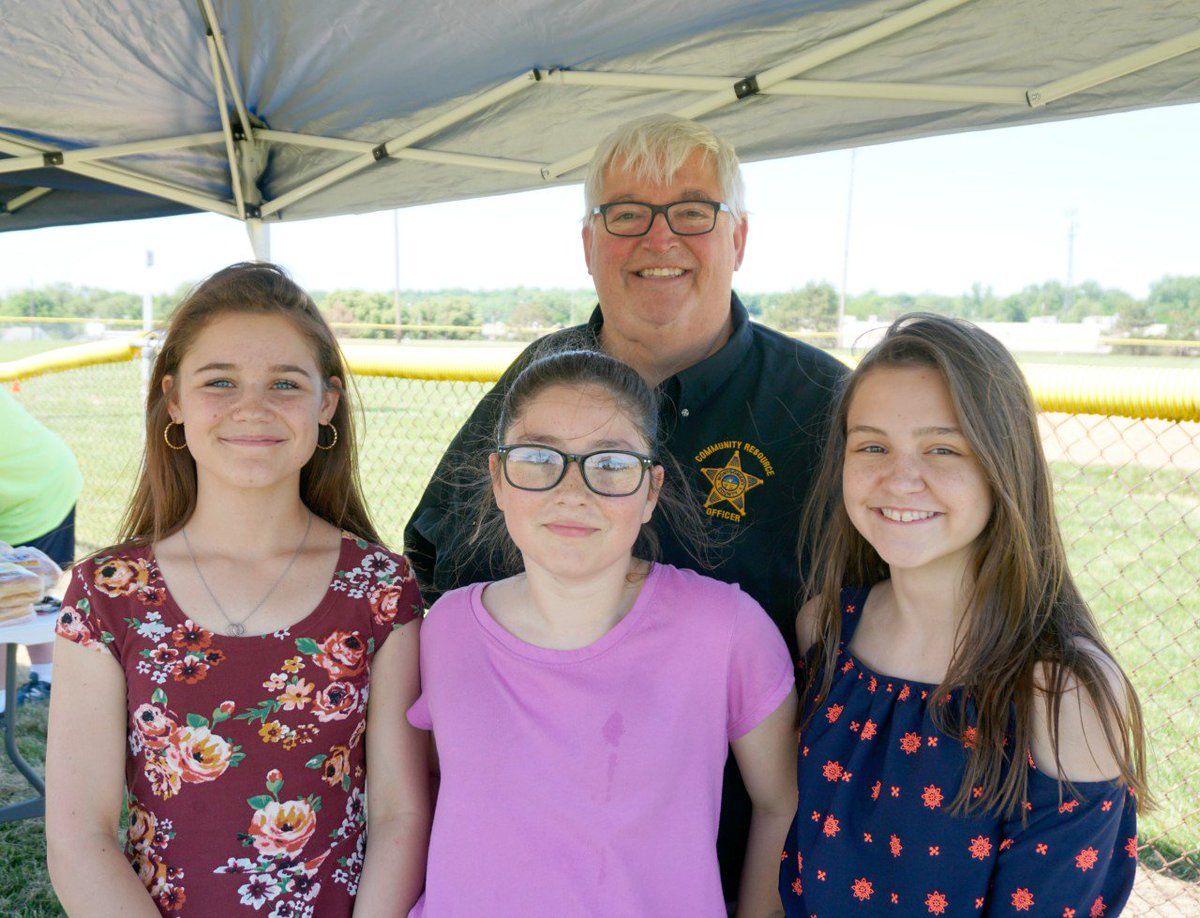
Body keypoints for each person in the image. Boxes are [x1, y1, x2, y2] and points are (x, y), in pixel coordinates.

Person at [405, 113, 848, 897]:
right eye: (626, 214)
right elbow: (438, 566)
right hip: (533, 860)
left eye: (691, 211)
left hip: (741, 849)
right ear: (587, 245)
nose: (659, 238)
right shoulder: (539, 382)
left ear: (738, 238)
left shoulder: (822, 405)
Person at [45, 263, 429, 915]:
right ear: (174, 400)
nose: (252, 407)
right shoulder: (108, 593)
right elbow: (79, 837)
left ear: (326, 403)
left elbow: (400, 813)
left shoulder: (381, 590)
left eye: (285, 383)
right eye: (219, 381)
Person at [779, 314, 1148, 915]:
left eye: (942, 448)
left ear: (1004, 464)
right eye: (872, 445)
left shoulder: (1058, 694)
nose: (900, 479)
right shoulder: (825, 628)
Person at [408, 348, 798, 916]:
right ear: (497, 480)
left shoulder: (726, 630)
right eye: (538, 457)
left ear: (650, 492)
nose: (572, 491)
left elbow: (780, 804)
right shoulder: (445, 629)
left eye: (611, 464)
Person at [0, 386, 83, 709]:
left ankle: (4, 703)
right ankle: (47, 677)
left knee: (9, 602)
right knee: (29, 594)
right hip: (41, 479)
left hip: (35, 494)